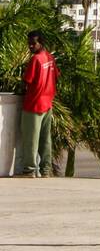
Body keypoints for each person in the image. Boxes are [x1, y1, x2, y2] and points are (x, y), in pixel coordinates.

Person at [15, 31, 58, 177]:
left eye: (33, 43)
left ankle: (30, 170)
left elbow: (27, 81)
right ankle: (46, 169)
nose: (30, 46)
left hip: (33, 104)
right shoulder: (50, 58)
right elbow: (56, 76)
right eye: (29, 43)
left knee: (31, 139)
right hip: (47, 103)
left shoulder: (36, 60)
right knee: (45, 139)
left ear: (41, 42)